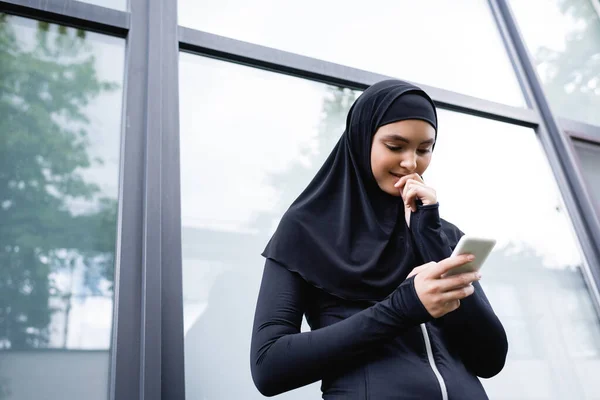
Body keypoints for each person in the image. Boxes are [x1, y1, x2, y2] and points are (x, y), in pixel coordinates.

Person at [250, 79, 508, 399]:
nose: (411, 163)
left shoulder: (441, 233)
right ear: (362, 140)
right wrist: (404, 307)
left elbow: (490, 359)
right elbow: (268, 366)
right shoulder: (306, 231)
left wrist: (432, 241)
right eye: (395, 146)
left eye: (424, 149)